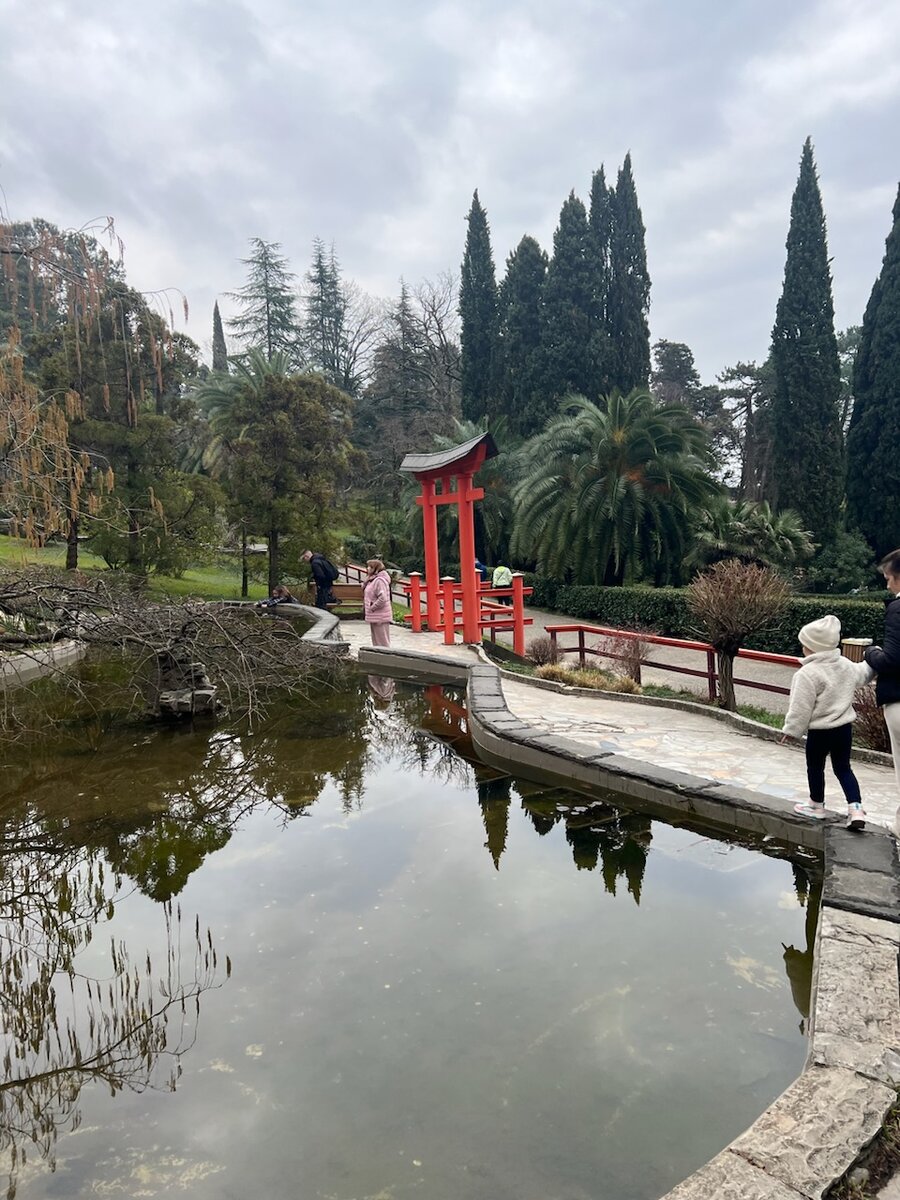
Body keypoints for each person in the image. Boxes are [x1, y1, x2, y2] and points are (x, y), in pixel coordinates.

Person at [779, 614, 873, 830]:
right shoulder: (845, 665)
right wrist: (874, 658)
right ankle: (856, 808)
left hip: (820, 731)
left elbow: (800, 707)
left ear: (812, 648)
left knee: (815, 767)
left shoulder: (807, 674)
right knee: (843, 768)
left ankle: (816, 805)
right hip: (844, 729)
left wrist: (791, 731)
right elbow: (864, 673)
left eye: (804, 644)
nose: (802, 647)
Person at [864, 549, 900, 829]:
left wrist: (870, 651)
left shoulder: (897, 609)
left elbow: (891, 660)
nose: (887, 585)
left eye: (888, 578)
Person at [363, 558, 392, 646]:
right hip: (374, 616)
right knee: (376, 640)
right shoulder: (371, 580)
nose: (367, 568)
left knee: (382, 641)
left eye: (370, 567)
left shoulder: (379, 581)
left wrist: (372, 607)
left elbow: (383, 598)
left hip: (380, 616)